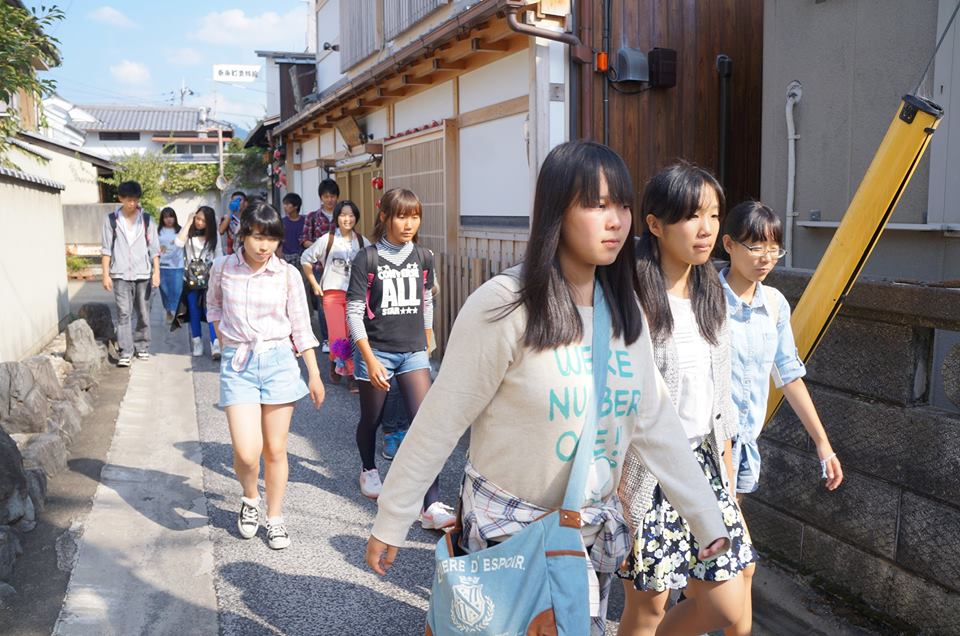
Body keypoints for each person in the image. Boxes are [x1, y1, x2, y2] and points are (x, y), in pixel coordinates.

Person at [365, 142, 731, 635]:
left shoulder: (626, 314)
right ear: (558, 212)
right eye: (597, 205)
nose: (616, 221)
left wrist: (706, 519)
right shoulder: (505, 304)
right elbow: (440, 420)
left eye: (622, 205)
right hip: (507, 539)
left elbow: (656, 424)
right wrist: (393, 517)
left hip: (585, 539)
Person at [618, 163, 754, 636]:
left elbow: (721, 395)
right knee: (649, 607)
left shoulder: (711, 290)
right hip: (648, 471)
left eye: (713, 215)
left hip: (705, 467)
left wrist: (727, 472)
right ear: (655, 224)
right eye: (693, 216)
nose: (707, 228)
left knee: (725, 606)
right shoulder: (630, 297)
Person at [718, 200, 843, 636]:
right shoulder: (705, 299)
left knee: (717, 564)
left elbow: (788, 374)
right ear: (728, 244)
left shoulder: (774, 304)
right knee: (739, 565)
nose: (766, 258)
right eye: (755, 247)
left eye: (774, 248)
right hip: (707, 449)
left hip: (744, 449)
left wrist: (823, 444)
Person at [206, 202, 325, 550]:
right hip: (239, 364)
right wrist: (224, 340)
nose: (264, 246)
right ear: (243, 234)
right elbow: (213, 306)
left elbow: (301, 327)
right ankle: (249, 497)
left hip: (278, 362)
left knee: (275, 448)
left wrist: (314, 373)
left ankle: (275, 518)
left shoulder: (287, 274)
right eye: (258, 237)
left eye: (271, 239)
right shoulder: (223, 267)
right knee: (246, 452)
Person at [344, 188, 453, 525]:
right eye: (402, 216)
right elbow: (353, 312)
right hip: (376, 351)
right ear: (385, 217)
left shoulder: (423, 257)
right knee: (372, 419)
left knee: (424, 424)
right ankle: (368, 468)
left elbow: (427, 299)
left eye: (415, 216)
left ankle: (431, 505)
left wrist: (428, 337)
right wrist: (369, 359)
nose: (409, 224)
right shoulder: (367, 258)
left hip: (413, 352)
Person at [300, 199, 368, 391]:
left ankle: (345, 368)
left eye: (351, 215)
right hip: (332, 293)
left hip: (356, 294)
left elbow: (373, 262)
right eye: (343, 215)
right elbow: (306, 258)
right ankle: (346, 370)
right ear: (337, 217)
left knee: (354, 335)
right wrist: (314, 283)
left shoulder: (362, 241)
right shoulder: (327, 239)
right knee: (338, 335)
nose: (347, 219)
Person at [100, 180, 160, 367]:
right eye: (128, 200)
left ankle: (142, 345)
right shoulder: (111, 220)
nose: (132, 203)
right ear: (121, 198)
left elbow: (154, 249)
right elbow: (106, 249)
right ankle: (125, 351)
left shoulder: (147, 220)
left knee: (143, 312)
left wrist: (156, 272)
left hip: (143, 274)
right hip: (120, 274)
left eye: (135, 200)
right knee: (123, 313)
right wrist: (105, 274)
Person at [172, 206, 221, 360]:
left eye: (203, 221)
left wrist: (219, 276)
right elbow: (178, 243)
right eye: (198, 219)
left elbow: (219, 254)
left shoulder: (213, 235)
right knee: (193, 309)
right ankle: (197, 342)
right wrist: (188, 222)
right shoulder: (189, 233)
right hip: (191, 279)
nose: (199, 222)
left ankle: (215, 344)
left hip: (209, 278)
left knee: (210, 310)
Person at [300, 178, 341, 352]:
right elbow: (304, 240)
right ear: (321, 198)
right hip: (320, 268)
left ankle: (341, 338)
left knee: (341, 303)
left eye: (332, 196)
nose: (330, 200)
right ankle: (326, 339)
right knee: (324, 304)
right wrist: (321, 247)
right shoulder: (312, 217)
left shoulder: (343, 215)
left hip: (341, 268)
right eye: (326, 196)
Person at [157, 207, 183, 323]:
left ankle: (177, 314)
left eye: (171, 216)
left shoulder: (180, 230)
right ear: (162, 219)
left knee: (177, 291)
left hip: (177, 266)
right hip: (162, 266)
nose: (169, 219)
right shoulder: (158, 231)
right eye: (166, 217)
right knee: (165, 292)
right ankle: (168, 311)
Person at [280, 193, 305, 265]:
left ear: (296, 206)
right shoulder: (282, 222)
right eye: (284, 204)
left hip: (302, 257)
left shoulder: (305, 222)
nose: (285, 206)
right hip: (286, 258)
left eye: (287, 204)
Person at [219, 191, 247, 255]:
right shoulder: (227, 218)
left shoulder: (249, 218)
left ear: (245, 203)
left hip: (246, 252)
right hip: (231, 253)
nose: (236, 203)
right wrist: (230, 212)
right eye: (233, 201)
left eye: (239, 200)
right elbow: (221, 231)